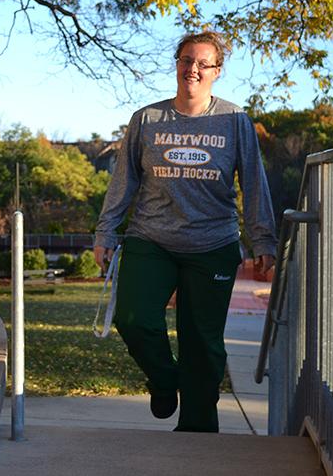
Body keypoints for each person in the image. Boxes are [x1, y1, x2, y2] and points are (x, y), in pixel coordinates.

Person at [93, 31, 277, 433]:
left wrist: (263, 239)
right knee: (134, 318)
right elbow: (123, 181)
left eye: (202, 63)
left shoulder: (234, 120)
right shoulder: (147, 119)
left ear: (216, 71)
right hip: (151, 238)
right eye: (185, 60)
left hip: (212, 243)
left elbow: (253, 181)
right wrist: (106, 230)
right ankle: (164, 380)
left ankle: (198, 429)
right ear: (176, 64)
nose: (192, 69)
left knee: (202, 343)